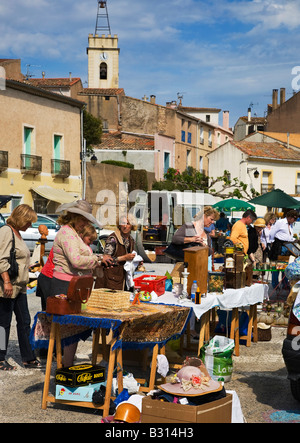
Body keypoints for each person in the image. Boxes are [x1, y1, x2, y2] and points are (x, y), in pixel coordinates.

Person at [50, 200, 104, 367]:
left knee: (71, 330)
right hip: (64, 285)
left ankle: (67, 366)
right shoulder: (67, 233)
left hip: (71, 284)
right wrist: (98, 259)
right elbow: (76, 261)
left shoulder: (72, 233)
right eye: (83, 220)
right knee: (67, 331)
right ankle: (65, 368)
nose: (85, 224)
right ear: (74, 217)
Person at [0, 204, 41, 370]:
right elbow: (1, 259)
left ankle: (28, 357)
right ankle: (0, 357)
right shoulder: (6, 231)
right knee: (3, 323)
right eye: (28, 222)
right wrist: (7, 281)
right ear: (21, 219)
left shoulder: (17, 233)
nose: (30, 225)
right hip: (7, 286)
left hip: (20, 286)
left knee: (25, 321)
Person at [94, 214, 137, 290]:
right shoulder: (113, 239)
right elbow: (106, 259)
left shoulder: (131, 240)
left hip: (122, 279)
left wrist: (137, 262)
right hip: (110, 279)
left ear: (132, 226)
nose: (125, 226)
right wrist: (123, 258)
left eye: (127, 223)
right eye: (123, 223)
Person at [269, 209, 298, 289]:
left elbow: (289, 236)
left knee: (286, 266)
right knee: (277, 265)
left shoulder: (290, 224)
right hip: (279, 245)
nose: (295, 220)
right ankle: (275, 285)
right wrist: (272, 242)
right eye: (294, 218)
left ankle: (285, 284)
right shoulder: (280, 222)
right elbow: (272, 232)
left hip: (288, 245)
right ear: (289, 217)